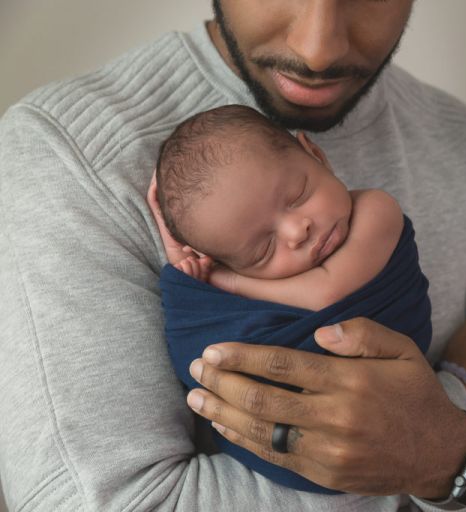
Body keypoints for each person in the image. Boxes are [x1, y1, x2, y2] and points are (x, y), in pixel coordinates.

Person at [0, 1, 466, 510]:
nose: (317, 48)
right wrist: (455, 418)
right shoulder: (68, 158)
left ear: (310, 155)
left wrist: (446, 449)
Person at [152, 104, 432, 493]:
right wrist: (186, 266)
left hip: (394, 427)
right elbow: (201, 333)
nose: (297, 231)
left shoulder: (377, 210)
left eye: (299, 195)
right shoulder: (245, 270)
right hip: (291, 453)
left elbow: (326, 294)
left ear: (316, 155)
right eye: (264, 250)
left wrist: (229, 279)